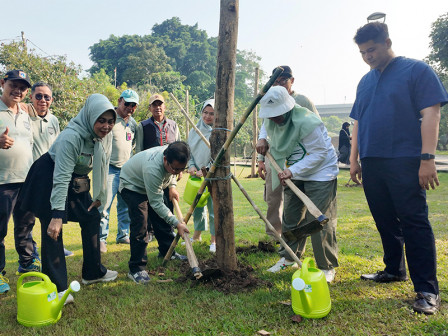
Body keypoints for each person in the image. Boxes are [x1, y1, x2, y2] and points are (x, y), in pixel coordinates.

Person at [350, 22, 448, 314]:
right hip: (372, 161)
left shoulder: (416, 70)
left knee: (414, 222)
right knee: (384, 220)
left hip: (405, 160)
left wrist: (427, 158)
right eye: (363, 52)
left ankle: (427, 290)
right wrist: (354, 159)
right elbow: (358, 122)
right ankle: (393, 269)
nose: (368, 56)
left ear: (387, 42)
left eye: (372, 49)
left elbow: (431, 112)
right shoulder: (365, 81)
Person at [19, 94, 119, 302]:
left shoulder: (105, 135)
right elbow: (61, 176)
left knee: (92, 217)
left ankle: (93, 273)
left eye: (110, 121)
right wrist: (57, 214)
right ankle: (58, 288)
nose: (106, 126)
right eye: (101, 120)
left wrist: (100, 196)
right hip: (49, 176)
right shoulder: (71, 137)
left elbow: (103, 162)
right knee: (53, 230)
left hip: (77, 179)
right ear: (90, 117)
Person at [257, 86, 339, 283]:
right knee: (291, 216)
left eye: (277, 114)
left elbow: (319, 154)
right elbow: (265, 126)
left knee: (318, 220)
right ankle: (288, 257)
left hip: (320, 173)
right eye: (270, 115)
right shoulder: (271, 120)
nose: (273, 118)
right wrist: (261, 140)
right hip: (293, 172)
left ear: (287, 109)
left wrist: (292, 171)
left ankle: (325, 266)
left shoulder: (308, 123)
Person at [257, 66, 320, 239]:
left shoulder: (302, 100)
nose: (279, 84)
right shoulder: (269, 98)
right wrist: (261, 158)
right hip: (276, 155)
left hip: (297, 156)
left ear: (292, 80)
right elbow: (265, 125)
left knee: (296, 197)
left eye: (283, 80)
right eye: (275, 81)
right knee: (273, 197)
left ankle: (293, 236)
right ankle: (274, 235)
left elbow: (316, 125)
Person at [119, 141, 190, 284]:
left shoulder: (172, 155)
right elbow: (156, 203)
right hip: (132, 186)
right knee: (141, 225)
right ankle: (136, 268)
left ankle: (167, 252)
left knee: (162, 220)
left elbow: (171, 175)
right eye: (175, 169)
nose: (177, 172)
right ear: (165, 160)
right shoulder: (153, 168)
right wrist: (177, 224)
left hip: (151, 185)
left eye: (182, 169)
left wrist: (172, 186)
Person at [23, 82, 74, 258]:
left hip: (49, 174)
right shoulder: (24, 115)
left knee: (52, 214)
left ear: (51, 99)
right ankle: (29, 256)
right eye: (38, 96)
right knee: (26, 219)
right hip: (27, 175)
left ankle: (56, 248)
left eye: (47, 97)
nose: (42, 100)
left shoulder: (53, 120)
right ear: (31, 97)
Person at [0, 70, 40, 294]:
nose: (18, 90)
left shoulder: (25, 114)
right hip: (2, 181)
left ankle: (27, 263)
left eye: (23, 87)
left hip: (26, 180)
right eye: (13, 85)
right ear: (2, 83)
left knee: (25, 225)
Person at [135, 94, 181, 240]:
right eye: (154, 105)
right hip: (151, 170)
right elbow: (139, 150)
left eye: (160, 104)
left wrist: (179, 170)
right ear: (150, 108)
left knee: (168, 199)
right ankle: (149, 231)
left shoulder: (173, 125)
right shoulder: (143, 126)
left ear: (164, 106)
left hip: (169, 170)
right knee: (150, 200)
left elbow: (179, 146)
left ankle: (168, 230)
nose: (158, 108)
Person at [98, 89, 139, 253]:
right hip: (109, 169)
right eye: (127, 103)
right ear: (119, 101)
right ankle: (101, 239)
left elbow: (133, 144)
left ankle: (123, 235)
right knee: (104, 205)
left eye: (133, 105)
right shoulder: (110, 119)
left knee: (125, 205)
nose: (129, 107)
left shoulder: (133, 123)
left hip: (127, 170)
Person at [187, 99, 216, 252]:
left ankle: (214, 241)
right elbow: (189, 152)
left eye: (212, 114)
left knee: (213, 209)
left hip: (213, 175)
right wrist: (191, 166)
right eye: (205, 112)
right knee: (197, 207)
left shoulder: (219, 132)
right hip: (197, 176)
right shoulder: (195, 130)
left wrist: (207, 170)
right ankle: (197, 235)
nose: (207, 116)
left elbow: (219, 156)